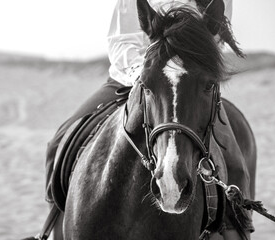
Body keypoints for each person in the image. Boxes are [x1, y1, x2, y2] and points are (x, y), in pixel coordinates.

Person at [45, 0, 253, 239]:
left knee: (235, 162)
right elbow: (121, 39)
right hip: (133, 76)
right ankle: (53, 229)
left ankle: (236, 232)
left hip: (191, 85)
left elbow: (214, 40)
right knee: (59, 142)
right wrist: (143, 74)